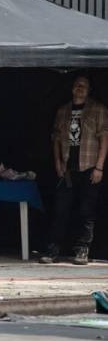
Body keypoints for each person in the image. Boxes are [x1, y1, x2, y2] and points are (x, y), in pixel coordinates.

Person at [41, 75, 107, 265]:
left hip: (89, 166)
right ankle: (53, 250)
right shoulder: (63, 111)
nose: (80, 88)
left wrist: (99, 167)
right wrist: (58, 163)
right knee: (60, 210)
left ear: (89, 90)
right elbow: (56, 138)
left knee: (87, 211)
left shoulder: (98, 109)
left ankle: (82, 250)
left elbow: (104, 138)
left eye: (84, 86)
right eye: (77, 85)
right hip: (68, 168)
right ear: (72, 89)